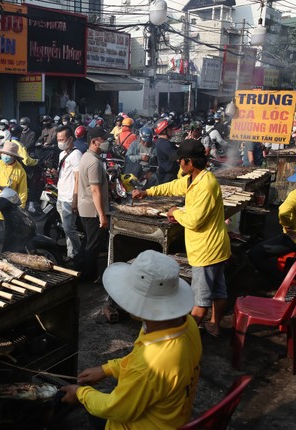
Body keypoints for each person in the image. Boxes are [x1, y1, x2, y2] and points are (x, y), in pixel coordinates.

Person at [60, 250, 202, 430]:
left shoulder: (152, 364)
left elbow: (117, 409)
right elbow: (138, 361)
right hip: (172, 417)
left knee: (97, 406)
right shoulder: (187, 323)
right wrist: (107, 369)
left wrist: (80, 394)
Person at [133, 139, 231, 336]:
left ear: (190, 162)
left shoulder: (205, 185)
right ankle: (215, 325)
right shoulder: (195, 179)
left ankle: (187, 338)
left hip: (206, 250)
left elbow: (194, 221)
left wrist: (175, 212)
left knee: (200, 299)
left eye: (180, 161)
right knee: (219, 290)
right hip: (216, 246)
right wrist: (148, 192)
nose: (178, 164)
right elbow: (174, 186)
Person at [78, 127, 111, 283]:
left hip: (85, 207)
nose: (106, 142)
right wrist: (102, 216)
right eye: (103, 139)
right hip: (93, 210)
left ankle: (81, 270)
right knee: (93, 246)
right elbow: (95, 190)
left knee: (87, 242)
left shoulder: (86, 157)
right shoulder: (93, 162)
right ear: (94, 141)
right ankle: (90, 276)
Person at [55, 126, 82, 262]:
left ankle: (79, 253)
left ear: (71, 139)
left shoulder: (76, 155)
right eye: (58, 139)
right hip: (61, 196)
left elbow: (78, 178)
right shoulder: (62, 154)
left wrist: (75, 200)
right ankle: (71, 254)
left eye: (62, 139)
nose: (60, 142)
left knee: (68, 228)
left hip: (69, 198)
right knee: (67, 230)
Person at [154, 117, 179, 184]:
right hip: (168, 178)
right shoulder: (164, 144)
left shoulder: (162, 142)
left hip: (167, 175)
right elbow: (178, 157)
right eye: (170, 128)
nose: (172, 130)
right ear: (164, 131)